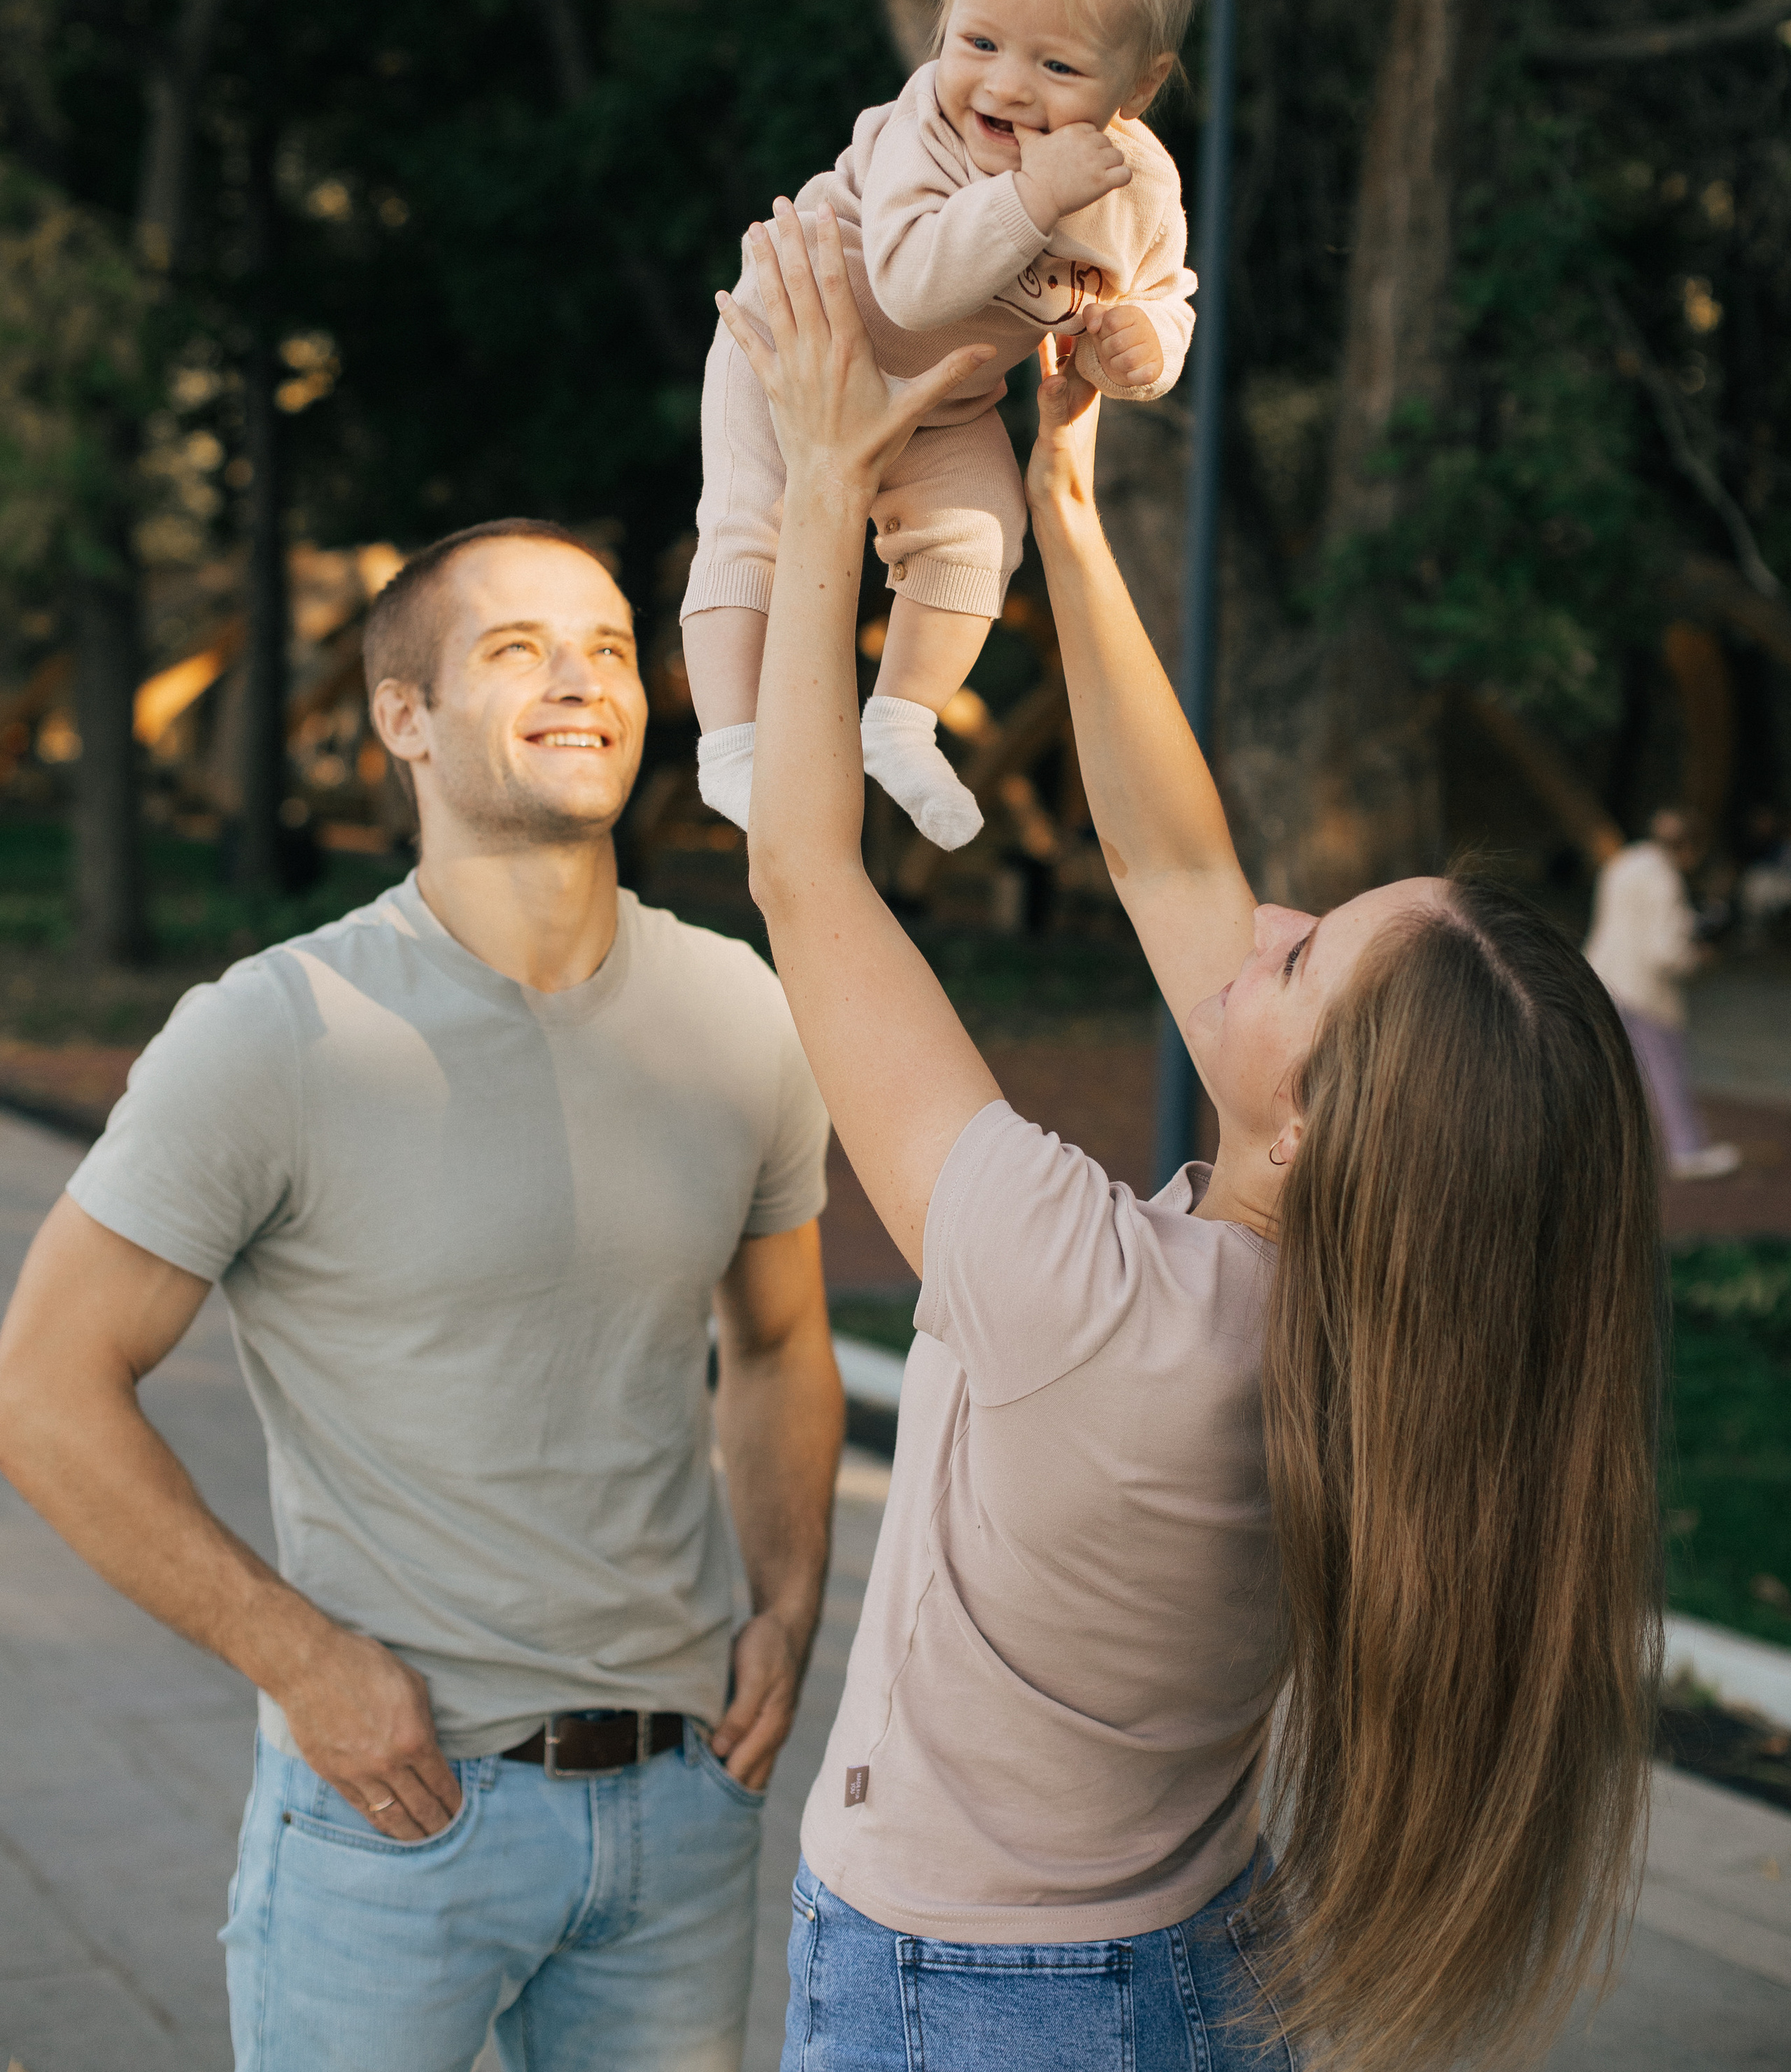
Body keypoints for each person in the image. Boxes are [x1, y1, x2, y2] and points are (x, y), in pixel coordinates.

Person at [719, 204, 1662, 2072]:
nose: (1262, 926)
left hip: (967, 2003)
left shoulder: (1088, 1300)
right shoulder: (1395, 1344)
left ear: (1312, 1129)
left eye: (1298, 959)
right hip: (1201, 1959)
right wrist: (1062, 500)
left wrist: (824, 477)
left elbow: (805, 879)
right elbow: (1171, 855)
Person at [0, 519, 844, 2072]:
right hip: (397, 1812)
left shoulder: (737, 1011)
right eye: (515, 652)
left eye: (603, 649)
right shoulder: (279, 1032)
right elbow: (43, 1389)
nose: (579, 683)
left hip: (681, 1816)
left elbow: (783, 1342)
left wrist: (787, 1606)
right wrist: (298, 1660)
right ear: (404, 720)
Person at [683, 0, 1201, 853]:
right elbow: (916, 284)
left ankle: (903, 721)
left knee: (978, 535)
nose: (1005, 86)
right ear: (945, 23)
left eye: (1058, 69)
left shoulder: (1138, 185)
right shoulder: (926, 125)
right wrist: (1030, 195)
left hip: (947, 395)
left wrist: (1139, 343)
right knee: (754, 526)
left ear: (1138, 85)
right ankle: (730, 749)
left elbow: (1160, 293)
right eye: (979, 43)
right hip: (799, 340)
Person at [1584, 807, 1741, 1180]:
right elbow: (1665, 952)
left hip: (1601, 974)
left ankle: (1592, 1151)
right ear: (1689, 848)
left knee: (1606, 1073)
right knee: (1667, 1069)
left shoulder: (1624, 862)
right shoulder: (1665, 878)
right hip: (1643, 989)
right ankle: (1686, 1149)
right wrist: (1698, 957)